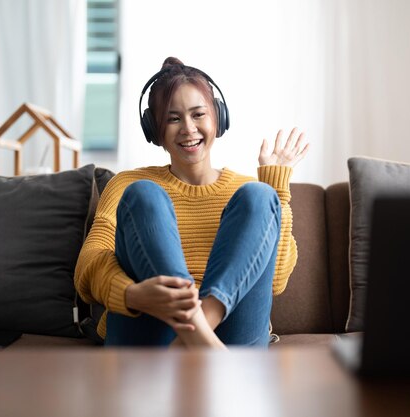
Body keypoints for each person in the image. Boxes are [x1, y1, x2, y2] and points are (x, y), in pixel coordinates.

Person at [74, 57, 309, 348]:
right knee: (144, 195)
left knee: (259, 196)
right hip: (149, 330)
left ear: (218, 118)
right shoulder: (126, 184)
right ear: (154, 130)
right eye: (173, 118)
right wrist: (132, 295)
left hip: (230, 333)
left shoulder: (246, 190)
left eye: (198, 114)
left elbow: (276, 281)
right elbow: (88, 267)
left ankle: (196, 337)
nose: (188, 127)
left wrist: (275, 187)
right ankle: (204, 345)